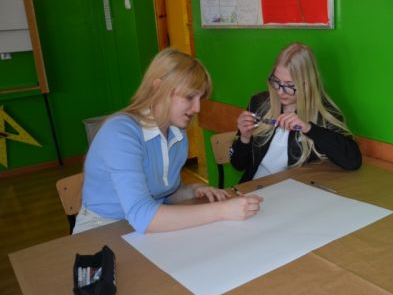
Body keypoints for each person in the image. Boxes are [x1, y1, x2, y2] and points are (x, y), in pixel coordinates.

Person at [76, 48, 262, 234]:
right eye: (189, 97)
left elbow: (164, 194)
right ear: (158, 88)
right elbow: (143, 216)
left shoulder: (177, 133)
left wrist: (191, 191)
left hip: (144, 227)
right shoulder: (120, 133)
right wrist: (221, 211)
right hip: (101, 228)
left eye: (200, 98)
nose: (197, 108)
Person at [231, 42, 361, 182]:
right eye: (276, 81)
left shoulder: (324, 114)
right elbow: (238, 165)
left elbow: (352, 161)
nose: (280, 91)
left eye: (290, 85)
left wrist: (309, 128)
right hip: (255, 188)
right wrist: (244, 138)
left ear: (308, 83)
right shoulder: (259, 104)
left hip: (296, 190)